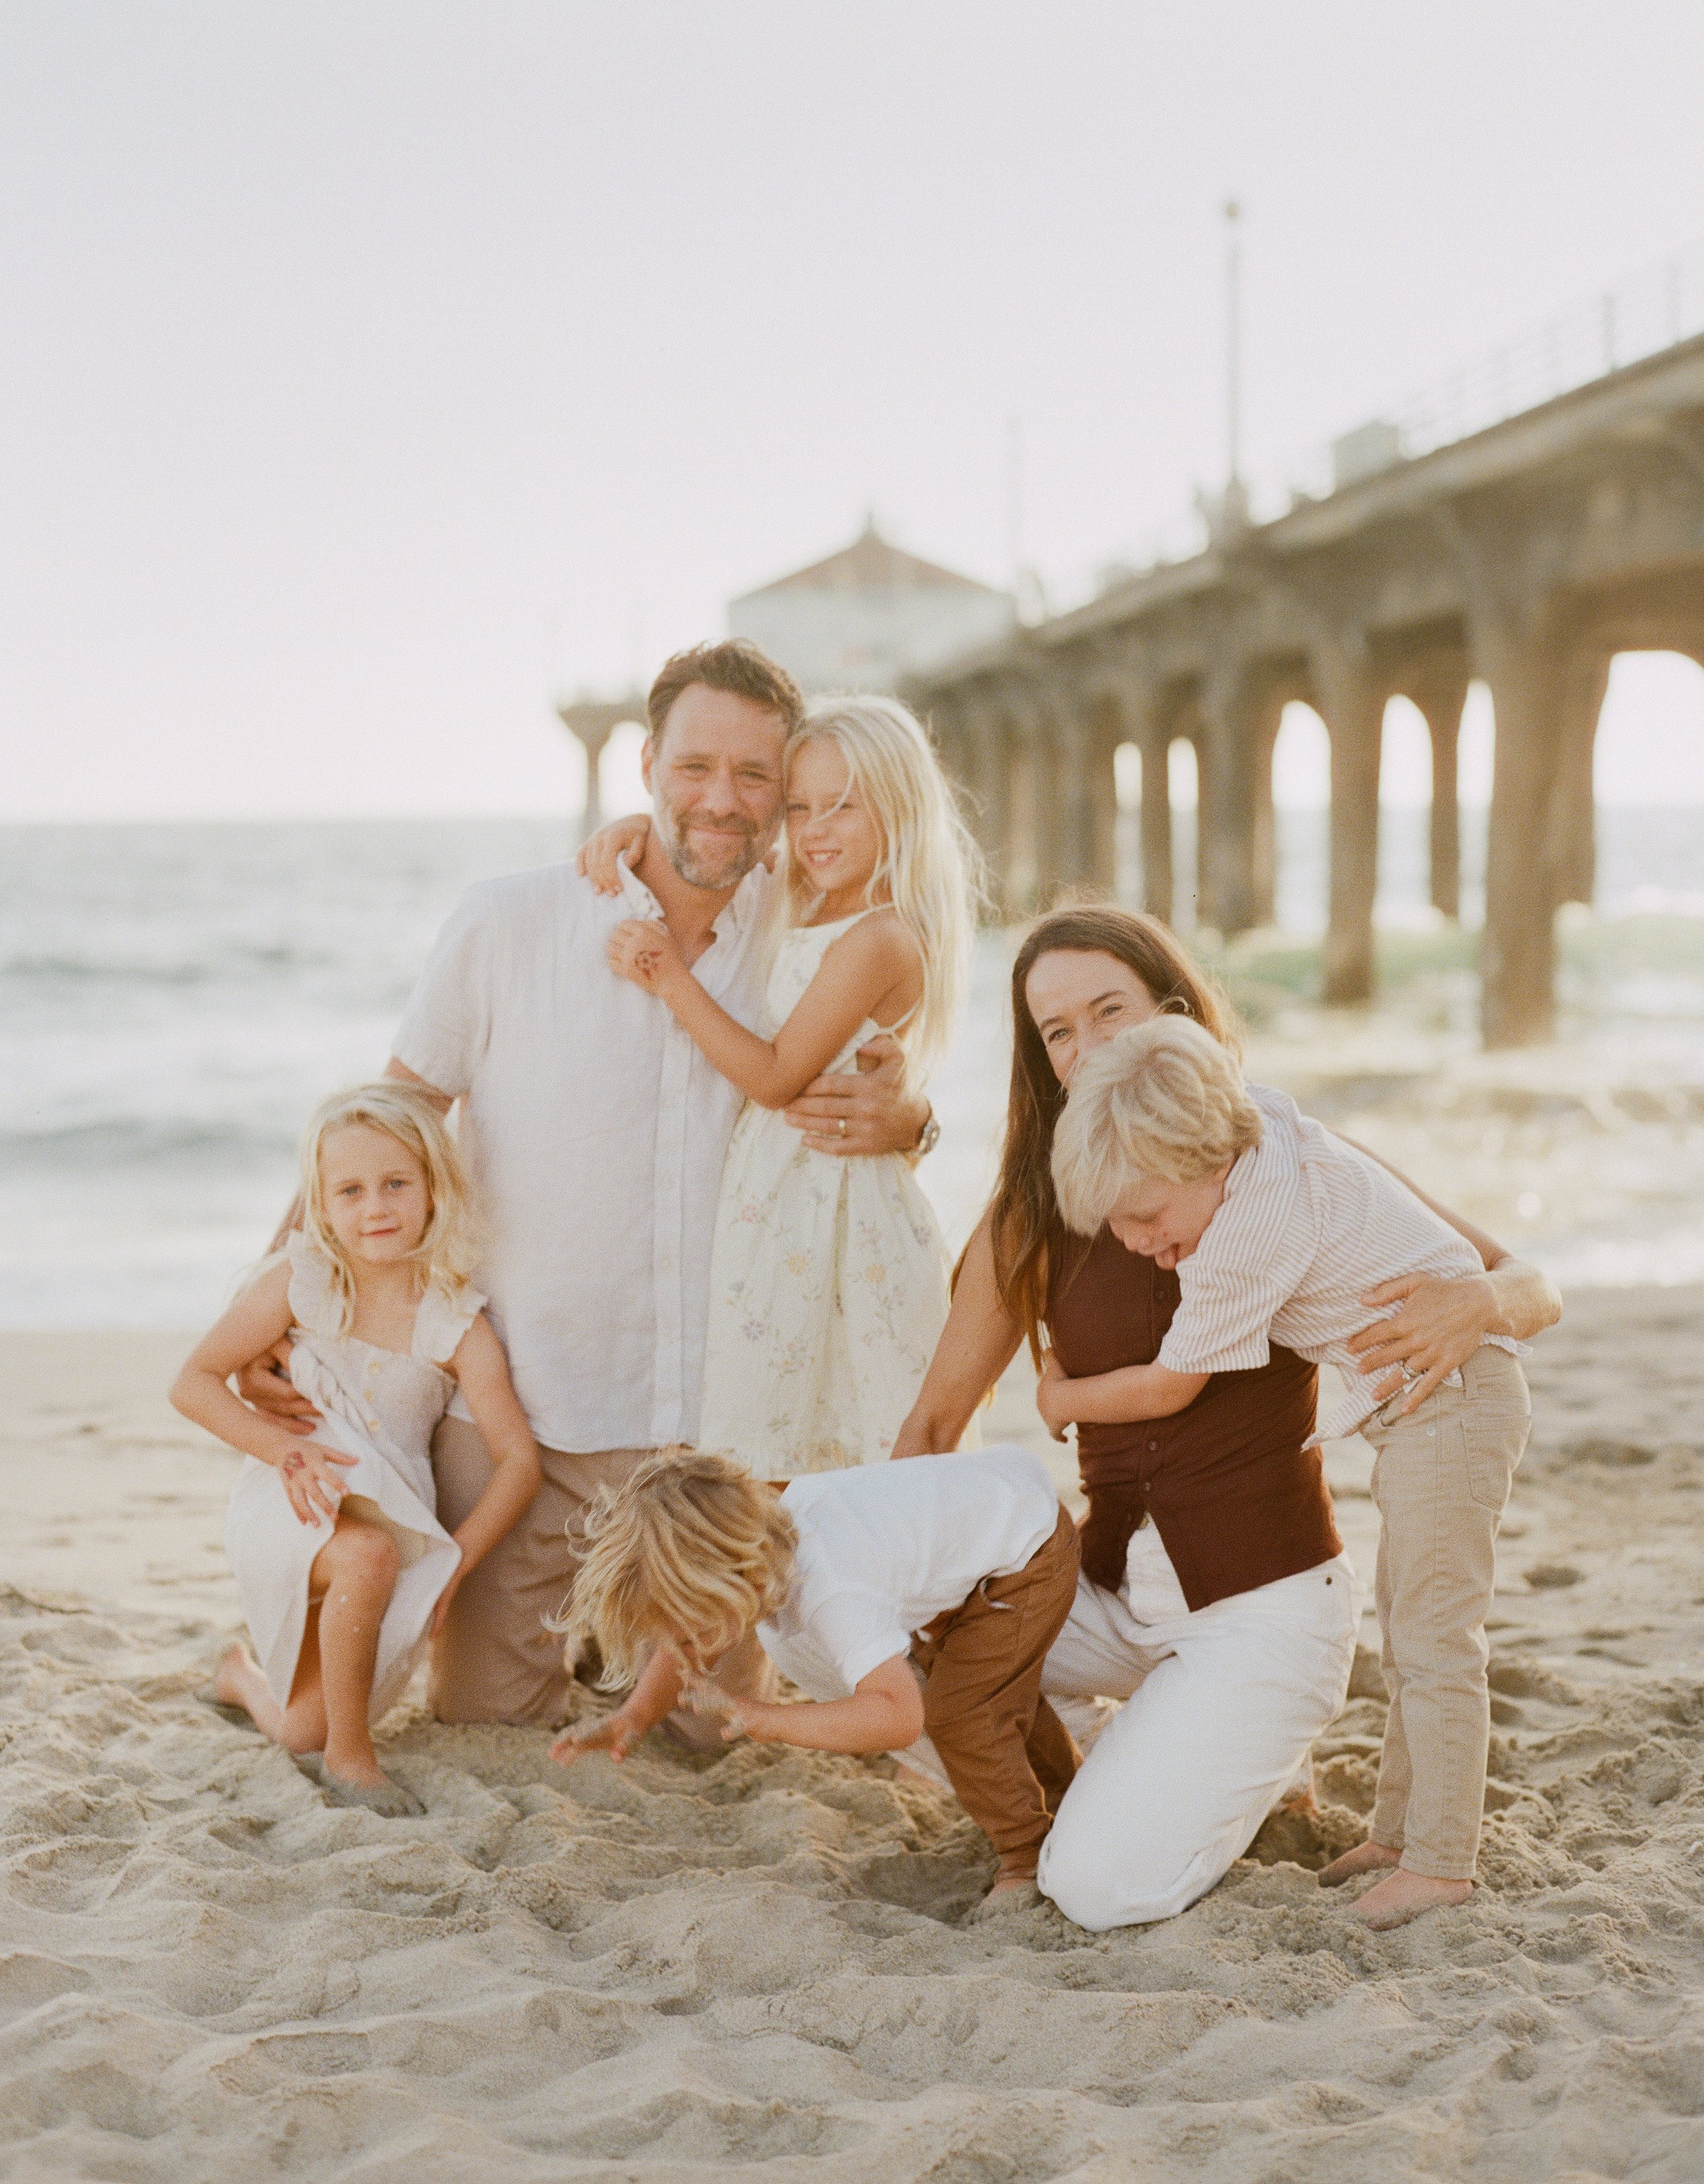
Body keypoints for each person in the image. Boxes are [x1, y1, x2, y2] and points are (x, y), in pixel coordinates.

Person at [234, 641, 933, 1729]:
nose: (722, 799)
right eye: (694, 767)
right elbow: (389, 1119)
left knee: (707, 1737)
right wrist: (272, 1301)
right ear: (646, 764)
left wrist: (916, 1124)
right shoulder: (509, 921)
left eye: (756, 776)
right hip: (530, 1412)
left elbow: (870, 1074)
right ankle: (258, 1665)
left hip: (718, 1434)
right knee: (482, 1718)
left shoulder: (801, 931)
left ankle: (628, 1653)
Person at [889, 905, 1561, 1933]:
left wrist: (1477, 1302)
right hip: (1116, 1589)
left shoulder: (1267, 1171)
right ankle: (1154, 1769)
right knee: (858, 1621)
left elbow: (1526, 1284)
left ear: (1173, 1015)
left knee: (1425, 1639)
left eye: (1108, 1010)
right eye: (1057, 1031)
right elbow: (935, 1427)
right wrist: (898, 1578)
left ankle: (1364, 1824)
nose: (1086, 1046)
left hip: (1266, 1588)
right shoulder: (1038, 1209)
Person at [1050, 1015, 1536, 1929]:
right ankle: (1399, 1836)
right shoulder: (1261, 1124)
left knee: (1435, 1637)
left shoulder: (1247, 1237)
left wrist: (1058, 1395)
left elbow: (1168, 1386)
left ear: (1205, 1159)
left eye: (1146, 1216)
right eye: (1116, 1222)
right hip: (1430, 1405)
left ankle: (1441, 1863)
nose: (1134, 1240)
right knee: (1409, 1623)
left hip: (1454, 1395)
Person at [603, 695, 978, 1479]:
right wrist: (635, 828)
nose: (813, 830)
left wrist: (669, 978)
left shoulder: (878, 935)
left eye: (842, 807)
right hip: (783, 1201)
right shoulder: (811, 899)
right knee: (778, 1437)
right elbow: (715, 846)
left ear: (901, 808)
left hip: (832, 1213)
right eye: (799, 807)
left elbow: (776, 1077)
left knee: (836, 1449)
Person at [170, 1083, 541, 1812]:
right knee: (364, 1556)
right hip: (290, 1497)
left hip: (390, 1518)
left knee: (299, 1729)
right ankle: (353, 1759)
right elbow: (193, 1383)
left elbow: (520, 1462)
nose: (376, 1208)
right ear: (321, 1203)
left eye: (396, 1183)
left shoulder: (454, 1325)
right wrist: (283, 1450)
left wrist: (458, 1560)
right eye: (350, 1191)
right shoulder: (302, 1282)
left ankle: (240, 1676)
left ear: (432, 1189)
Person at [551, 1445, 1080, 1909]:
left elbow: (899, 1716)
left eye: (690, 1633)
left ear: (735, 1580)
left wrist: (769, 1719)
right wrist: (635, 1715)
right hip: (992, 1518)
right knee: (987, 1695)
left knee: (963, 1715)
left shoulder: (832, 1591)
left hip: (1026, 1547)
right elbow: (684, 1645)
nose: (680, 1651)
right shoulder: (764, 1549)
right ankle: (1068, 1798)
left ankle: (1025, 1856)